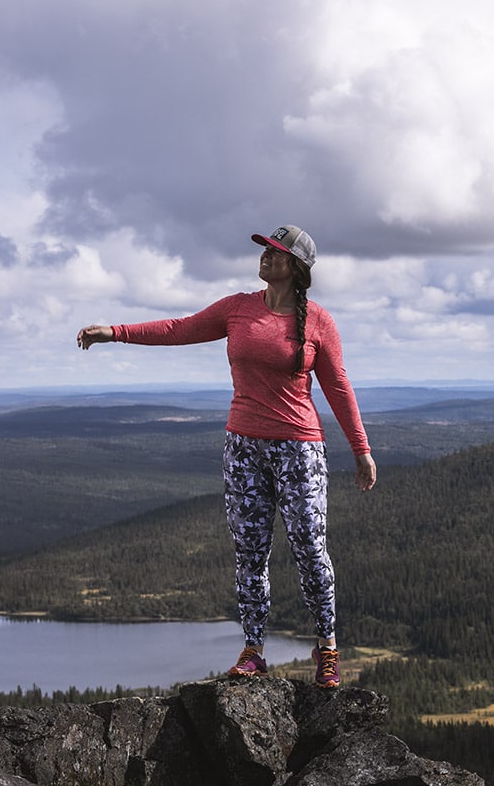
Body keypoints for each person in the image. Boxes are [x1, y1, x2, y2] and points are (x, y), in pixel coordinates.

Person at [76, 225, 376, 688]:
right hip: (242, 447)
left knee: (310, 549)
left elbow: (337, 386)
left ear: (296, 267)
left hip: (300, 450)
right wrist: (114, 332)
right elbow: (178, 329)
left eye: (276, 253)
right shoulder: (237, 308)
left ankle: (327, 648)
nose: (265, 258)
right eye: (265, 251)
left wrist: (362, 450)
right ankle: (254, 650)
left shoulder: (319, 321)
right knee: (249, 554)